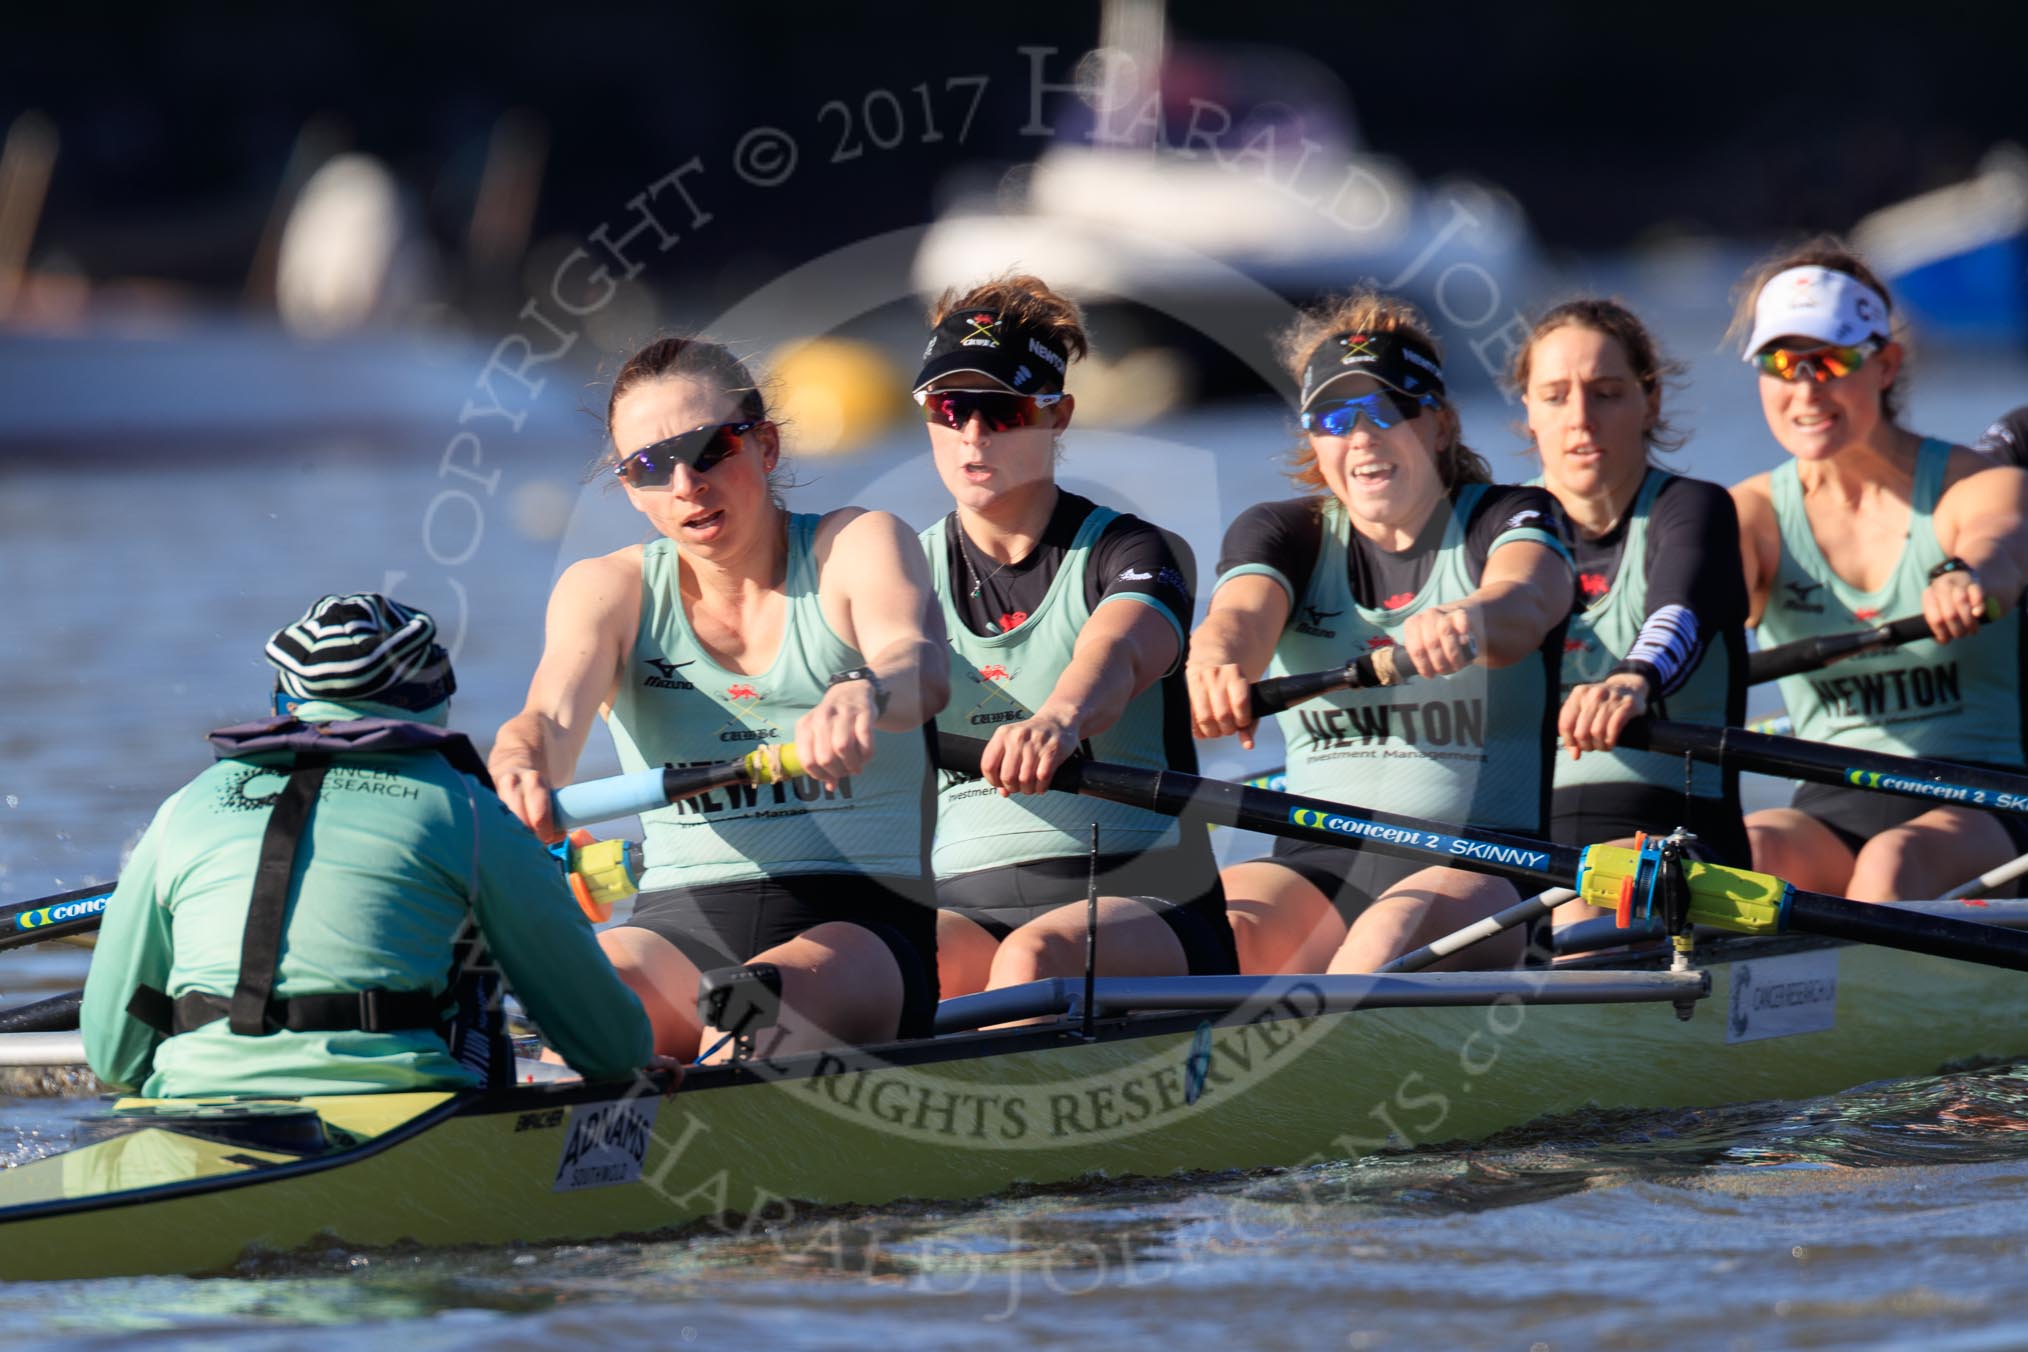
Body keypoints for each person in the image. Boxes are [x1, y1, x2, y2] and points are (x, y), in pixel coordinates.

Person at [490, 336, 950, 1060]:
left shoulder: (855, 544)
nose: (684, 485)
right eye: (648, 467)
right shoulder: (605, 591)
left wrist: (865, 690)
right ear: (627, 488)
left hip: (861, 928)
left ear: (764, 446)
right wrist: (519, 766)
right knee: (570, 1002)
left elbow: (916, 666)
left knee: (744, 1004)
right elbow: (547, 721)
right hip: (675, 929)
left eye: (708, 448)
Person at [81, 593, 658, 1098]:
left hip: (193, 1099)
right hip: (400, 1112)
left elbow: (114, 1056)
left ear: (284, 701)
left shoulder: (185, 806)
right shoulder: (467, 808)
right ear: (434, 700)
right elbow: (611, 1049)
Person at [1187, 291, 1574, 973]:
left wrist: (1468, 618)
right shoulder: (1283, 533)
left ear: (1442, 425)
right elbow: (1237, 620)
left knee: (1384, 941)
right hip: (1315, 863)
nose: (1362, 435)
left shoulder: (1508, 515)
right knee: (1211, 934)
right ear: (1313, 438)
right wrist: (1216, 664)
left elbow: (1527, 599)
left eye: (1389, 409)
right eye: (1334, 417)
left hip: (1483, 863)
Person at [912, 275, 1237, 999]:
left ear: (1056, 415)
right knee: (888, 964)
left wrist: (1058, 719)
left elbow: (1118, 653)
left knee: (1031, 963)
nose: (972, 433)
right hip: (962, 907)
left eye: (1003, 409)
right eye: (950, 406)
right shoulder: (896, 576)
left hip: (1148, 899)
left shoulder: (1135, 552)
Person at [1730, 241, 2028, 901]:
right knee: (1742, 853)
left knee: (1891, 869)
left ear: (1886, 363)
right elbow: (1695, 597)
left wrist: (1965, 577)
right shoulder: (1750, 512)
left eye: (1831, 360)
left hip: (1982, 798)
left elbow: (1998, 544)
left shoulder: (1972, 482)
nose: (1805, 387)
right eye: (1782, 362)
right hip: (1829, 804)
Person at [1515, 298, 1752, 898]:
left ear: (1651, 402)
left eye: (1607, 392)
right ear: (1530, 414)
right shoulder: (1498, 526)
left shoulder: (1693, 510)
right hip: (1515, 836)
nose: (1581, 418)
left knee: (1570, 908)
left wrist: (1633, 678)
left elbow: (1679, 613)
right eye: (1556, 396)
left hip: (1675, 833)